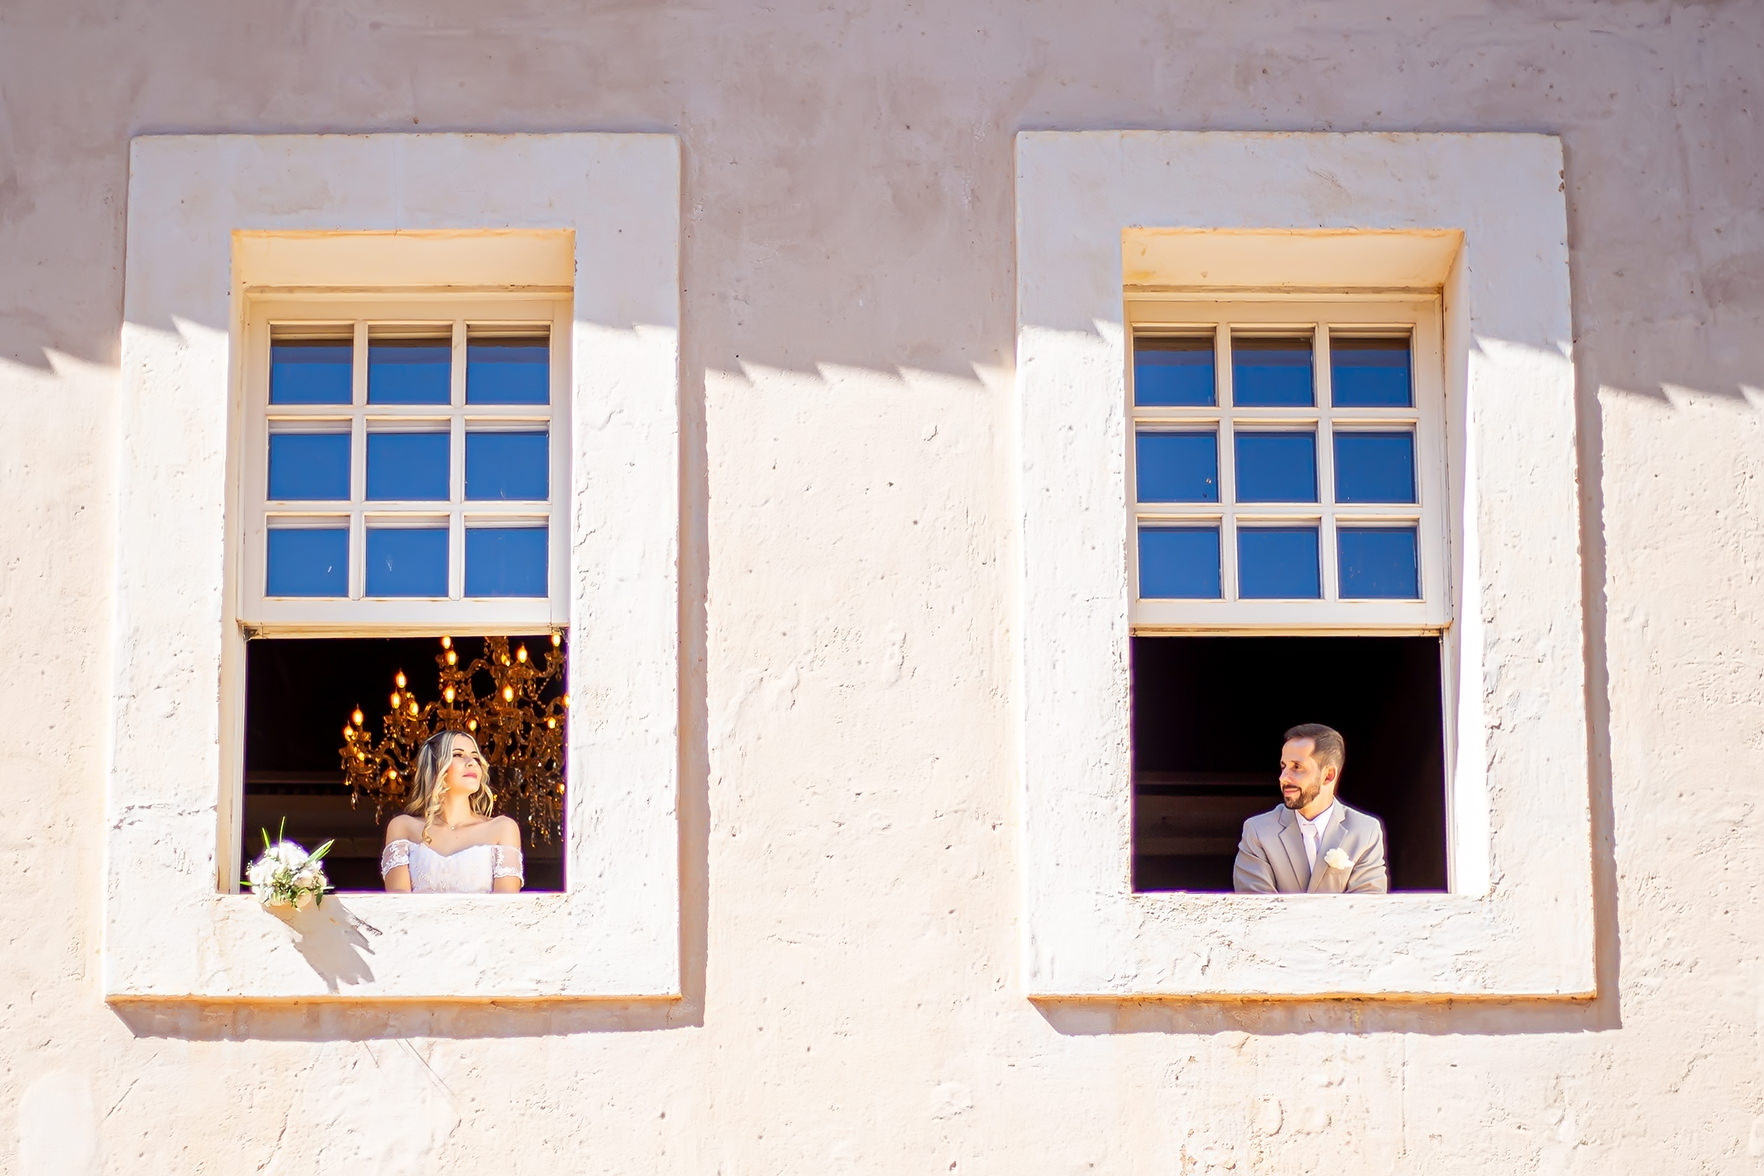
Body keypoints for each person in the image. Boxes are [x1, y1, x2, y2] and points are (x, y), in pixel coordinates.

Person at [1232, 723, 1388, 894]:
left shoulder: (1365, 831)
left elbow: (1365, 910)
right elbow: (1258, 911)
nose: (1283, 778)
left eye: (1297, 767)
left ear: (1328, 775)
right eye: (1283, 766)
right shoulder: (1258, 831)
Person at [380, 729, 525, 893]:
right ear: (435, 766)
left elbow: (506, 910)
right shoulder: (402, 827)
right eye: (458, 755)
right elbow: (397, 909)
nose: (472, 762)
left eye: (475, 757)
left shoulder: (503, 828)